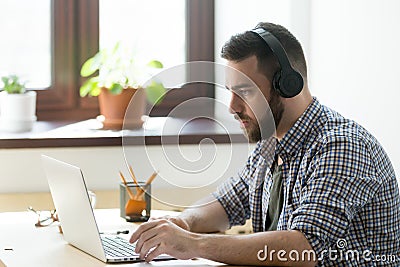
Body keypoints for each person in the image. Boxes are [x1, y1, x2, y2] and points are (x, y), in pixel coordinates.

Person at [129, 22, 400, 266]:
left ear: (288, 85)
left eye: (245, 91)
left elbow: (302, 249)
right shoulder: (270, 142)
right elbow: (227, 203)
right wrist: (182, 222)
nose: (232, 107)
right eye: (230, 92)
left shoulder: (341, 147)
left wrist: (193, 244)